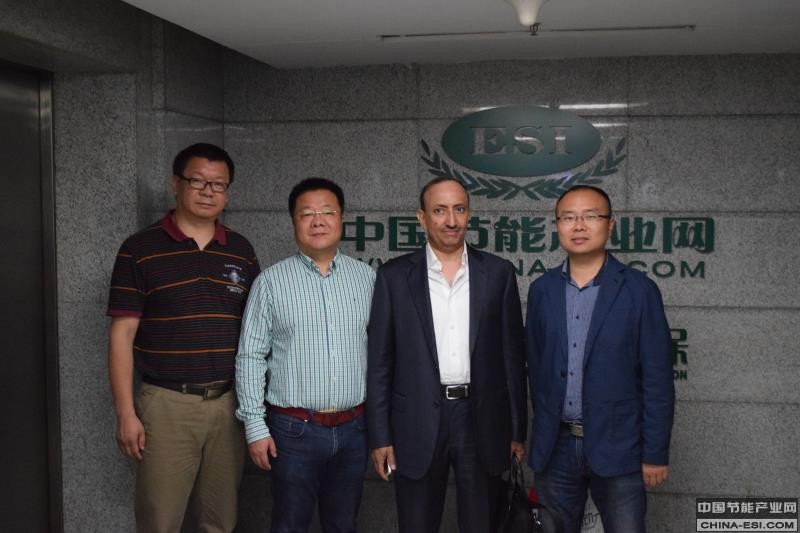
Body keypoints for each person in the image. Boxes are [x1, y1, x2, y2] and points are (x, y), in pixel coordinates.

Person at [107, 143, 260, 532]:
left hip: (228, 405)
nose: (209, 192)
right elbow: (122, 334)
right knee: (160, 520)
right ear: (176, 184)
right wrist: (125, 413)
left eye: (218, 184)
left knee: (220, 520)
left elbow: (256, 333)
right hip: (166, 405)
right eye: (198, 181)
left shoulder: (240, 250)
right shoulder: (139, 249)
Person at [367, 177, 527, 533]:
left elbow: (512, 358)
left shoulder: (497, 273)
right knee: (417, 524)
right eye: (439, 210)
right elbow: (379, 363)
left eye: (459, 209)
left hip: (481, 419)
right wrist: (380, 437)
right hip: (416, 420)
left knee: (482, 523)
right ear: (422, 218)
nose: (451, 220)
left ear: (469, 215)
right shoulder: (394, 277)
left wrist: (517, 430)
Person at [525, 185, 675, 533]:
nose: (578, 225)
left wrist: (655, 452)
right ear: (557, 226)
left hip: (620, 445)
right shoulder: (542, 290)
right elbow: (536, 367)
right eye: (568, 217)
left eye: (590, 216)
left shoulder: (639, 290)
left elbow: (657, 379)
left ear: (610, 225)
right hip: (555, 447)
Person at [235, 177, 376, 533]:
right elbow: (250, 356)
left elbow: (382, 353)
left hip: (355, 430)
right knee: (289, 524)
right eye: (307, 214)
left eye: (327, 212)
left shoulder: (367, 279)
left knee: (343, 524)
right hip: (292, 431)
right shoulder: (271, 282)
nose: (318, 221)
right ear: (294, 222)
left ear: (341, 218)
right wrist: (255, 427)